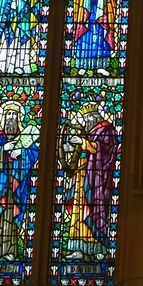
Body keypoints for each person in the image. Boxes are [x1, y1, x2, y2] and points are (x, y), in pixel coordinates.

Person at [0, 100, 40, 261]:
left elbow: (33, 155)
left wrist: (21, 152)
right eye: (9, 114)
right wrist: (2, 150)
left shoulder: (24, 136)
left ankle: (11, 250)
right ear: (3, 117)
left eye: (15, 114)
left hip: (16, 184)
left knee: (11, 216)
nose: (12, 117)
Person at [62, 101, 119, 261]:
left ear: (94, 117)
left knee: (95, 211)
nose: (85, 122)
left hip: (97, 180)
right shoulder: (90, 131)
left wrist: (84, 143)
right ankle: (78, 247)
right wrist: (72, 148)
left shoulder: (107, 129)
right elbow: (84, 151)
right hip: (82, 176)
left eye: (87, 119)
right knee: (78, 211)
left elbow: (105, 149)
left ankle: (98, 247)